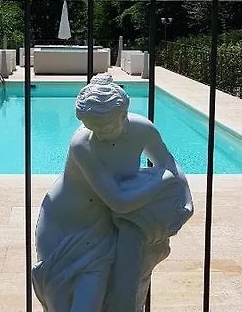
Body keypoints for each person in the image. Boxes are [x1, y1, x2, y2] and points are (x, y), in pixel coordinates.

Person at [32, 73, 193, 312]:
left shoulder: (142, 129)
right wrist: (162, 183)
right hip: (62, 226)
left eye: (105, 127)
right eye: (91, 127)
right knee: (60, 303)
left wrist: (185, 200)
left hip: (101, 228)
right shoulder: (82, 144)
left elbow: (168, 163)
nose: (99, 134)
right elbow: (119, 202)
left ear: (123, 113)